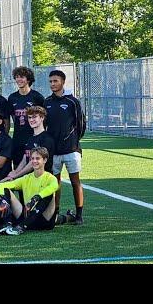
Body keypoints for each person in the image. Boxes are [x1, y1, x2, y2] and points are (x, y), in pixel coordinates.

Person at [44, 70, 86, 225]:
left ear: (63, 81)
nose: (52, 84)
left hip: (71, 150)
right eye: (50, 81)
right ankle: (55, 212)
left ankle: (79, 214)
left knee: (75, 182)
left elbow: (81, 125)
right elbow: (44, 125)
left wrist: (73, 142)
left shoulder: (72, 102)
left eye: (55, 81)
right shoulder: (47, 101)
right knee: (55, 183)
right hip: (53, 152)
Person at [0, 147, 58, 235]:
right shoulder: (26, 178)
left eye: (37, 158)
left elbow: (54, 186)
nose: (34, 161)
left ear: (45, 160)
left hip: (44, 221)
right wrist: (2, 199)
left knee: (49, 194)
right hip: (27, 216)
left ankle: (21, 227)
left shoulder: (50, 178)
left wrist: (36, 198)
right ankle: (8, 225)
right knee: (5, 190)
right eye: (32, 158)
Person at [3, 106, 55, 181]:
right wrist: (16, 171)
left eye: (34, 117)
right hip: (28, 179)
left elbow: (33, 163)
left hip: (41, 181)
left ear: (42, 118)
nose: (31, 120)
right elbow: (25, 158)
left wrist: (17, 175)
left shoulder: (46, 139)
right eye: (29, 117)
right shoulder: (31, 137)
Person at [7, 67, 45, 170]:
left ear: (28, 79)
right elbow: (11, 117)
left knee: (34, 167)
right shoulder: (12, 98)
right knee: (17, 166)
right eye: (17, 77)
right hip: (18, 138)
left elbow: (44, 118)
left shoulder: (37, 97)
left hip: (33, 137)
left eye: (22, 77)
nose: (19, 79)